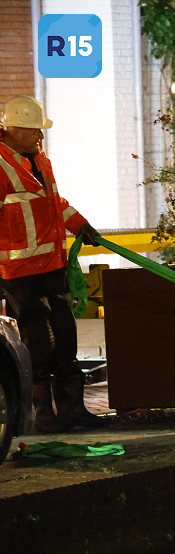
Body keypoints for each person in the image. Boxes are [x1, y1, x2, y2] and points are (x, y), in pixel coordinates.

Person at [0, 95, 106, 432]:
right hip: (19, 274)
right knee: (39, 343)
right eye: (33, 131)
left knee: (65, 335)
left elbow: (54, 203)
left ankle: (73, 410)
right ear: (12, 129)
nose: (39, 137)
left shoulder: (39, 160)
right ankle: (43, 416)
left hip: (51, 265)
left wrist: (81, 225)